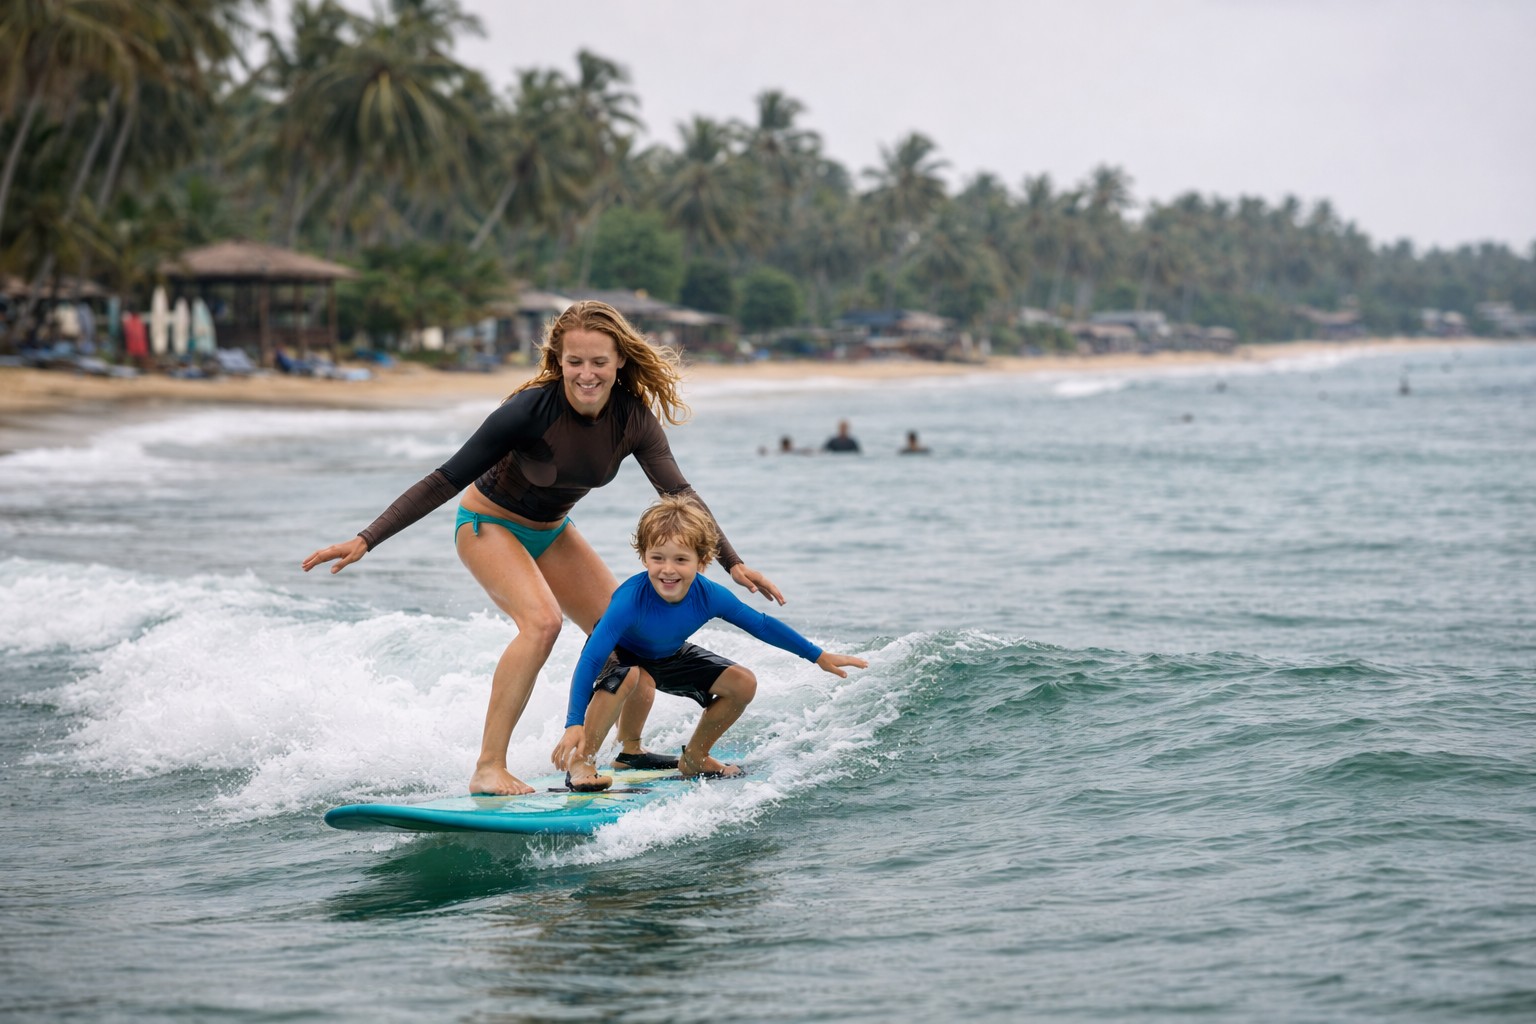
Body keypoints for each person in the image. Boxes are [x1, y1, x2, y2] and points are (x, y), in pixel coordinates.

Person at [301, 300, 785, 796]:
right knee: (542, 623)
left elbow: (679, 494)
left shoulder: (632, 418)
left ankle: (629, 749)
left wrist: (733, 562)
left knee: (628, 637)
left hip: (551, 529)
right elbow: (446, 477)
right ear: (559, 362)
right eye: (575, 361)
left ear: (619, 360)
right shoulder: (529, 411)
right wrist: (367, 538)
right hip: (487, 523)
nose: (587, 373)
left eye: (599, 361)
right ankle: (489, 766)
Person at [554, 496, 867, 790]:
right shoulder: (629, 600)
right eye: (657, 558)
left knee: (743, 683)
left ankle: (695, 757)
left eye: (681, 559)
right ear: (643, 557)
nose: (667, 569)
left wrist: (817, 655)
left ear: (702, 562)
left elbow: (760, 624)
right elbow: (591, 659)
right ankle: (583, 761)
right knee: (632, 675)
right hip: (619, 654)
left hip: (666, 654)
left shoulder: (709, 595)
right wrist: (573, 723)